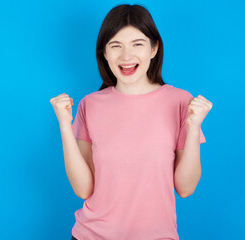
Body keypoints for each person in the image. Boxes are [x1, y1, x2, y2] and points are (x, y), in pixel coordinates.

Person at [50, 4, 213, 240]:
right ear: (104, 53)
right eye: (115, 46)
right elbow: (83, 189)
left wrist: (194, 128)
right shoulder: (90, 105)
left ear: (154, 49)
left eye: (137, 44)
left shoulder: (180, 102)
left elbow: (185, 188)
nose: (126, 57)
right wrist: (65, 126)